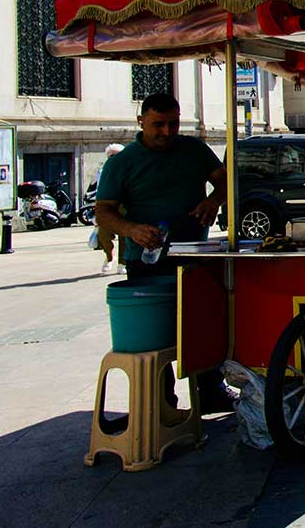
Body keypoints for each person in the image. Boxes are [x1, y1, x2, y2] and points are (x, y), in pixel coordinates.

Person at [94, 92, 230, 411]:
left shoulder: (194, 150)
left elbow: (226, 182)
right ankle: (162, 402)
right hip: (146, 265)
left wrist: (213, 202)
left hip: (194, 255)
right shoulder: (122, 162)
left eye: (173, 124)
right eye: (158, 125)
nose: (167, 132)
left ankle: (210, 392)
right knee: (155, 335)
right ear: (141, 121)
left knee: (203, 324)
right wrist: (132, 230)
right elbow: (104, 212)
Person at [94, 143, 125, 275]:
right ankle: (109, 255)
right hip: (106, 205)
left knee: (124, 235)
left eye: (116, 156)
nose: (113, 158)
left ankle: (122, 263)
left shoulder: (127, 170)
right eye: (111, 156)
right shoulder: (102, 171)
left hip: (124, 205)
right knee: (103, 234)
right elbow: (98, 190)